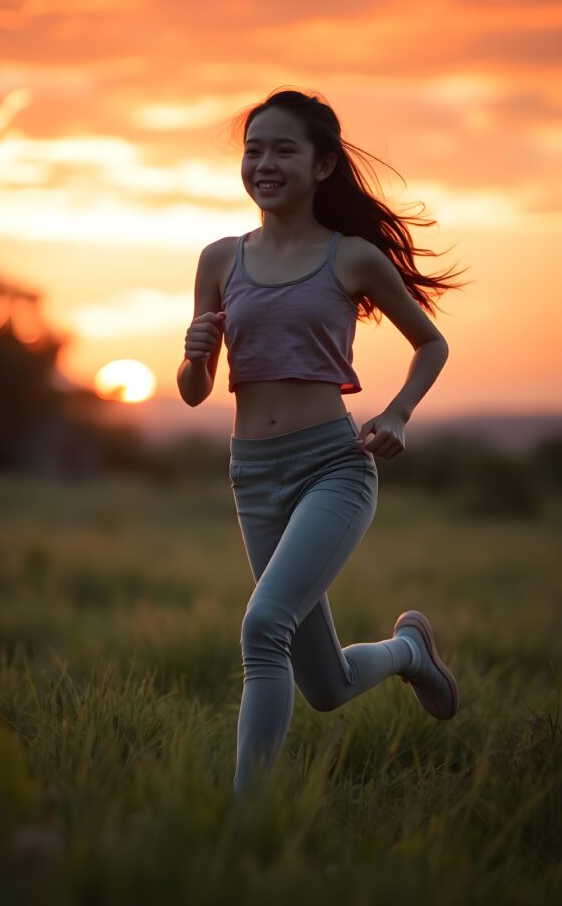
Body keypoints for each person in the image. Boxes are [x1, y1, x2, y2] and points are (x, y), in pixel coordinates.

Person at [177, 88, 462, 798]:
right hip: (253, 475)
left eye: (282, 149)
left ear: (323, 164)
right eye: (252, 150)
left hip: (332, 467)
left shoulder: (353, 258)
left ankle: (247, 827)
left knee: (262, 627)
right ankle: (408, 653)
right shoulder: (218, 259)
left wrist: (395, 415)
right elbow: (193, 391)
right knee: (326, 686)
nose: (263, 163)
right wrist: (193, 354)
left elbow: (430, 344)